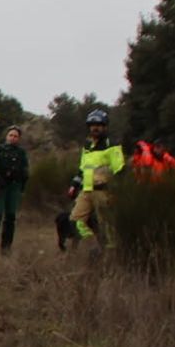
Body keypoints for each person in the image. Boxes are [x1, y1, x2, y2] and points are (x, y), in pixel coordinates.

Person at [59, 108, 125, 253]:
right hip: (86, 190)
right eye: (92, 125)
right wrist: (74, 185)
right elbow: (82, 168)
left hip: (104, 191)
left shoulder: (112, 145)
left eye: (99, 125)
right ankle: (92, 247)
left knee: (107, 225)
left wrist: (117, 191)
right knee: (74, 221)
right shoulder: (87, 146)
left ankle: (111, 254)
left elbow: (119, 169)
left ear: (105, 126)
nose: (95, 128)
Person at [0, 125, 29, 254]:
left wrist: (22, 186)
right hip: (0, 187)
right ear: (6, 136)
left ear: (19, 138)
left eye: (16, 136)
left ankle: (6, 247)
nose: (13, 138)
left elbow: (25, 170)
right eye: (11, 135)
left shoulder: (21, 152)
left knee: (10, 218)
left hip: (14, 187)